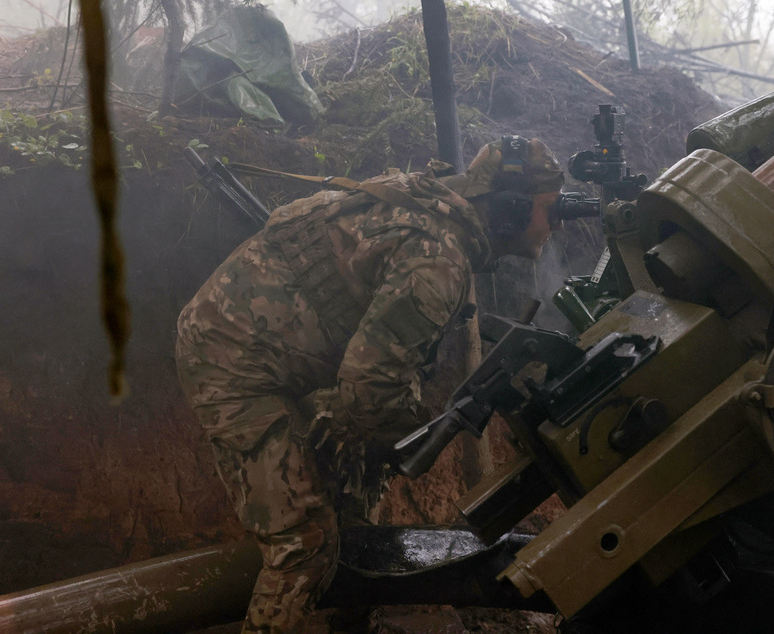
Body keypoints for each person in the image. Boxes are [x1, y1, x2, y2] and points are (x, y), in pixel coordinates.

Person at [175, 135, 565, 632]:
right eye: (549, 210)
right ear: (510, 210)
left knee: (356, 522)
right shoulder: (438, 262)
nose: (554, 225)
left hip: (288, 360)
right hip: (231, 361)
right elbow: (368, 390)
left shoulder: (438, 218)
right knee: (304, 546)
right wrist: (414, 428)